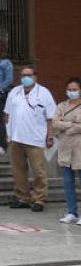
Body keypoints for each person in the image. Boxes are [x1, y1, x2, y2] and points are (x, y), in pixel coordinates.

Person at [3, 66, 54, 212]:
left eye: (29, 75)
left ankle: (39, 199)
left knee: (38, 170)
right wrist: (8, 133)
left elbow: (51, 117)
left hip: (35, 138)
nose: (25, 78)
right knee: (18, 170)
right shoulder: (14, 92)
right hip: (16, 137)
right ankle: (22, 197)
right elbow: (6, 114)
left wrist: (50, 136)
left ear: (35, 76)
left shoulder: (43, 93)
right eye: (23, 75)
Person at [53, 78, 81, 224]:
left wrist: (67, 126)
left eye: (75, 89)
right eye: (69, 89)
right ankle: (72, 212)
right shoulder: (61, 106)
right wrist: (72, 124)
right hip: (65, 149)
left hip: (79, 149)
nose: (72, 92)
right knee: (68, 182)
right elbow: (55, 123)